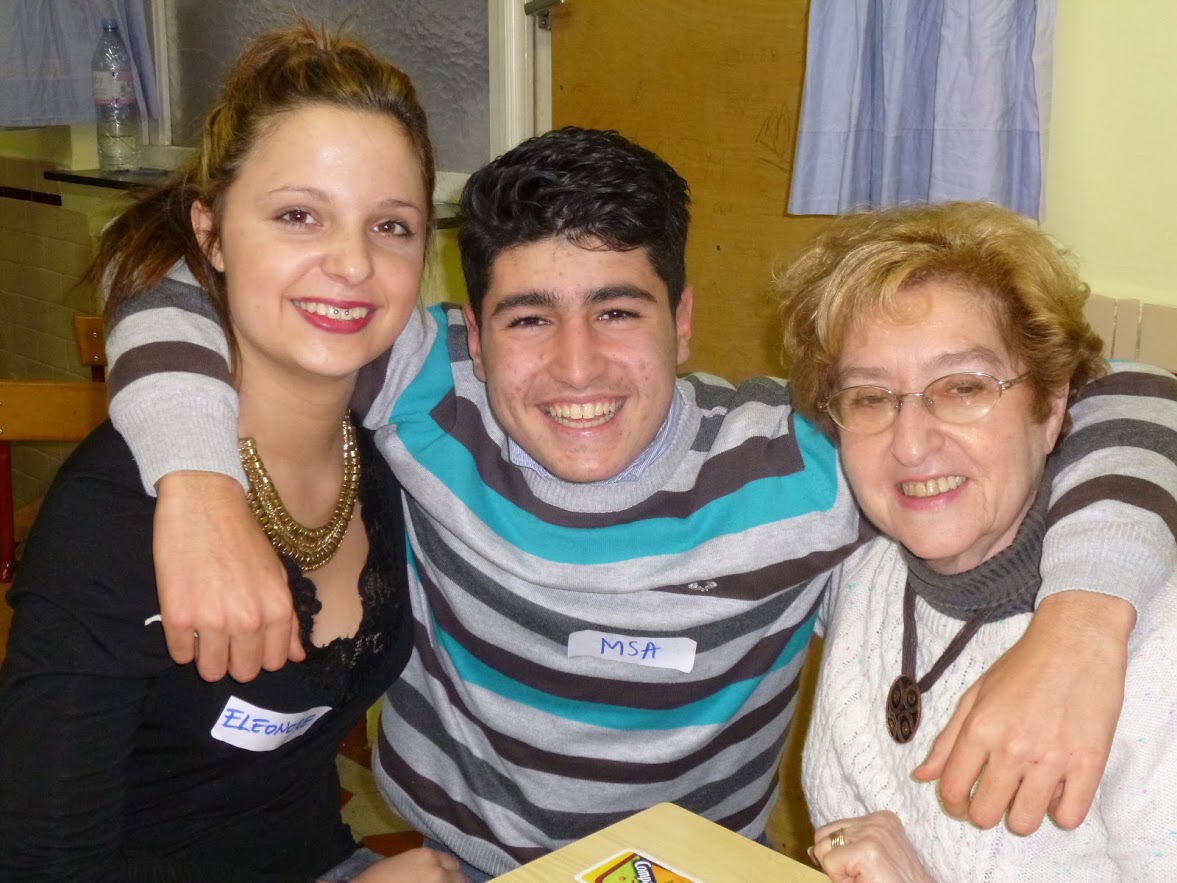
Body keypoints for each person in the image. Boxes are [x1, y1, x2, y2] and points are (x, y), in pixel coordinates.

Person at [100, 129, 1177, 879]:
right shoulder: (426, 383)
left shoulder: (813, 457)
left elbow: (1121, 391)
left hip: (694, 870)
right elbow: (179, 288)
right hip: (451, 864)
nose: (577, 369)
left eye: (617, 311)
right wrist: (197, 485)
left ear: (683, 320)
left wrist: (1082, 623)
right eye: (529, 318)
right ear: (471, 329)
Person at [0, 23, 464, 883]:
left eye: (391, 225)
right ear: (209, 236)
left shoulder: (392, 451)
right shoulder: (117, 511)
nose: (351, 263)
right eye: (298, 215)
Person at [778, 202, 1177, 880]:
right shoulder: (860, 564)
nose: (909, 444)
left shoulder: (1151, 644)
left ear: (1051, 406)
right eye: (870, 397)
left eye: (962, 387)